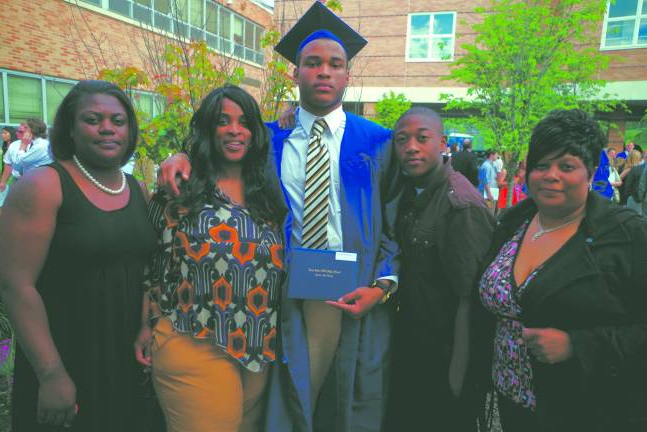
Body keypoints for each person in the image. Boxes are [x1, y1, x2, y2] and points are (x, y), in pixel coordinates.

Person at [157, 3, 401, 431]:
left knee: (345, 398)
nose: (323, 72)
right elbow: (216, 155)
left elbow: (396, 223)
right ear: (296, 73)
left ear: (347, 75)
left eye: (335, 64)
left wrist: (381, 286)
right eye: (312, 63)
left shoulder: (378, 142)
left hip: (352, 289)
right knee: (287, 399)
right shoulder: (266, 139)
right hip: (281, 294)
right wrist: (180, 157)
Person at [0, 80, 157, 431]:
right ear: (69, 127)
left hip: (125, 352)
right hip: (67, 353)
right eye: (93, 119)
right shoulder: (43, 186)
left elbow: (145, 265)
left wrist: (146, 325)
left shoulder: (135, 188)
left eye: (118, 120)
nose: (107, 128)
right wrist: (51, 373)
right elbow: (16, 286)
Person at [475, 109, 647, 431]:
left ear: (591, 171)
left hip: (588, 410)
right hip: (512, 403)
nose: (550, 175)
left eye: (566, 166)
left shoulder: (627, 236)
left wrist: (578, 345)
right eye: (541, 165)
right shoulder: (511, 223)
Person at [135, 85, 287, 432]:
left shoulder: (266, 193)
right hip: (192, 337)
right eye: (223, 121)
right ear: (208, 128)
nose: (235, 130)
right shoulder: (180, 187)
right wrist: (145, 325)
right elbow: (153, 262)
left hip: (256, 348)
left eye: (245, 122)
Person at [385, 107, 494, 431]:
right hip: (412, 345)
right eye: (402, 140)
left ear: (443, 143)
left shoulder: (459, 205)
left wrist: (457, 379)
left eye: (422, 138)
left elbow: (470, 301)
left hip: (443, 357)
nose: (411, 147)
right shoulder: (407, 191)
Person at [0, 118, 53, 190]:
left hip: (36, 183)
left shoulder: (40, 146)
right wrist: (3, 181)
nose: (23, 131)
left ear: (33, 130)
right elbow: (8, 163)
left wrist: (23, 144)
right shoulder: (15, 145)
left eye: (26, 128)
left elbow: (20, 161)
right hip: (21, 180)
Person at [624, 150, 647, 215]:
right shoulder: (635, 169)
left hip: (635, 198)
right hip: (636, 198)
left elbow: (628, 185)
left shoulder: (635, 169)